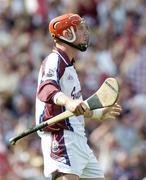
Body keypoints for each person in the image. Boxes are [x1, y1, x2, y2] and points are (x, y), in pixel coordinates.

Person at [35, 13, 122, 180]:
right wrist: (68, 102)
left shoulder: (69, 66)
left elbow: (77, 107)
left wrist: (97, 114)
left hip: (79, 139)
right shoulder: (54, 60)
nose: (85, 32)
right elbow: (46, 89)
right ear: (68, 34)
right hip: (62, 136)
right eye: (80, 28)